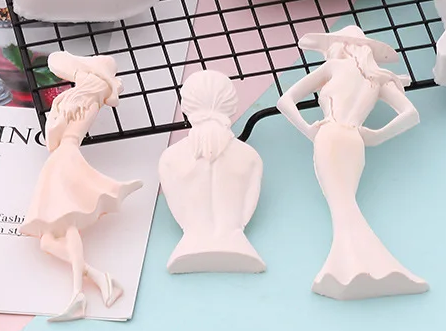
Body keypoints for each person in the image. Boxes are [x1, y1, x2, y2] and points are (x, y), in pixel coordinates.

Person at [277, 25, 428, 300]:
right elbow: (410, 114)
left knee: (342, 208)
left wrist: (309, 130)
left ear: (342, 46)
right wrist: (376, 136)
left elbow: (285, 101)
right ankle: (357, 269)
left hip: (331, 135)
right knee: (346, 206)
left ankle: (353, 271)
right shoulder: (377, 78)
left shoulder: (333, 67)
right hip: (354, 141)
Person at [22, 52, 142, 322]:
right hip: (62, 156)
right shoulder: (82, 99)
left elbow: (54, 138)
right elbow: (53, 139)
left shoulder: (80, 100)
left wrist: (56, 120)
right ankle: (99, 278)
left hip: (65, 156)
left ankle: (77, 294)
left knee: (67, 224)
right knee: (47, 242)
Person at [159, 70, 265, 273]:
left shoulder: (169, 159)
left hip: (187, 251)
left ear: (185, 107)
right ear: (232, 106)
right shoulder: (251, 157)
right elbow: (245, 212)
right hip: (240, 249)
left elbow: (179, 209)